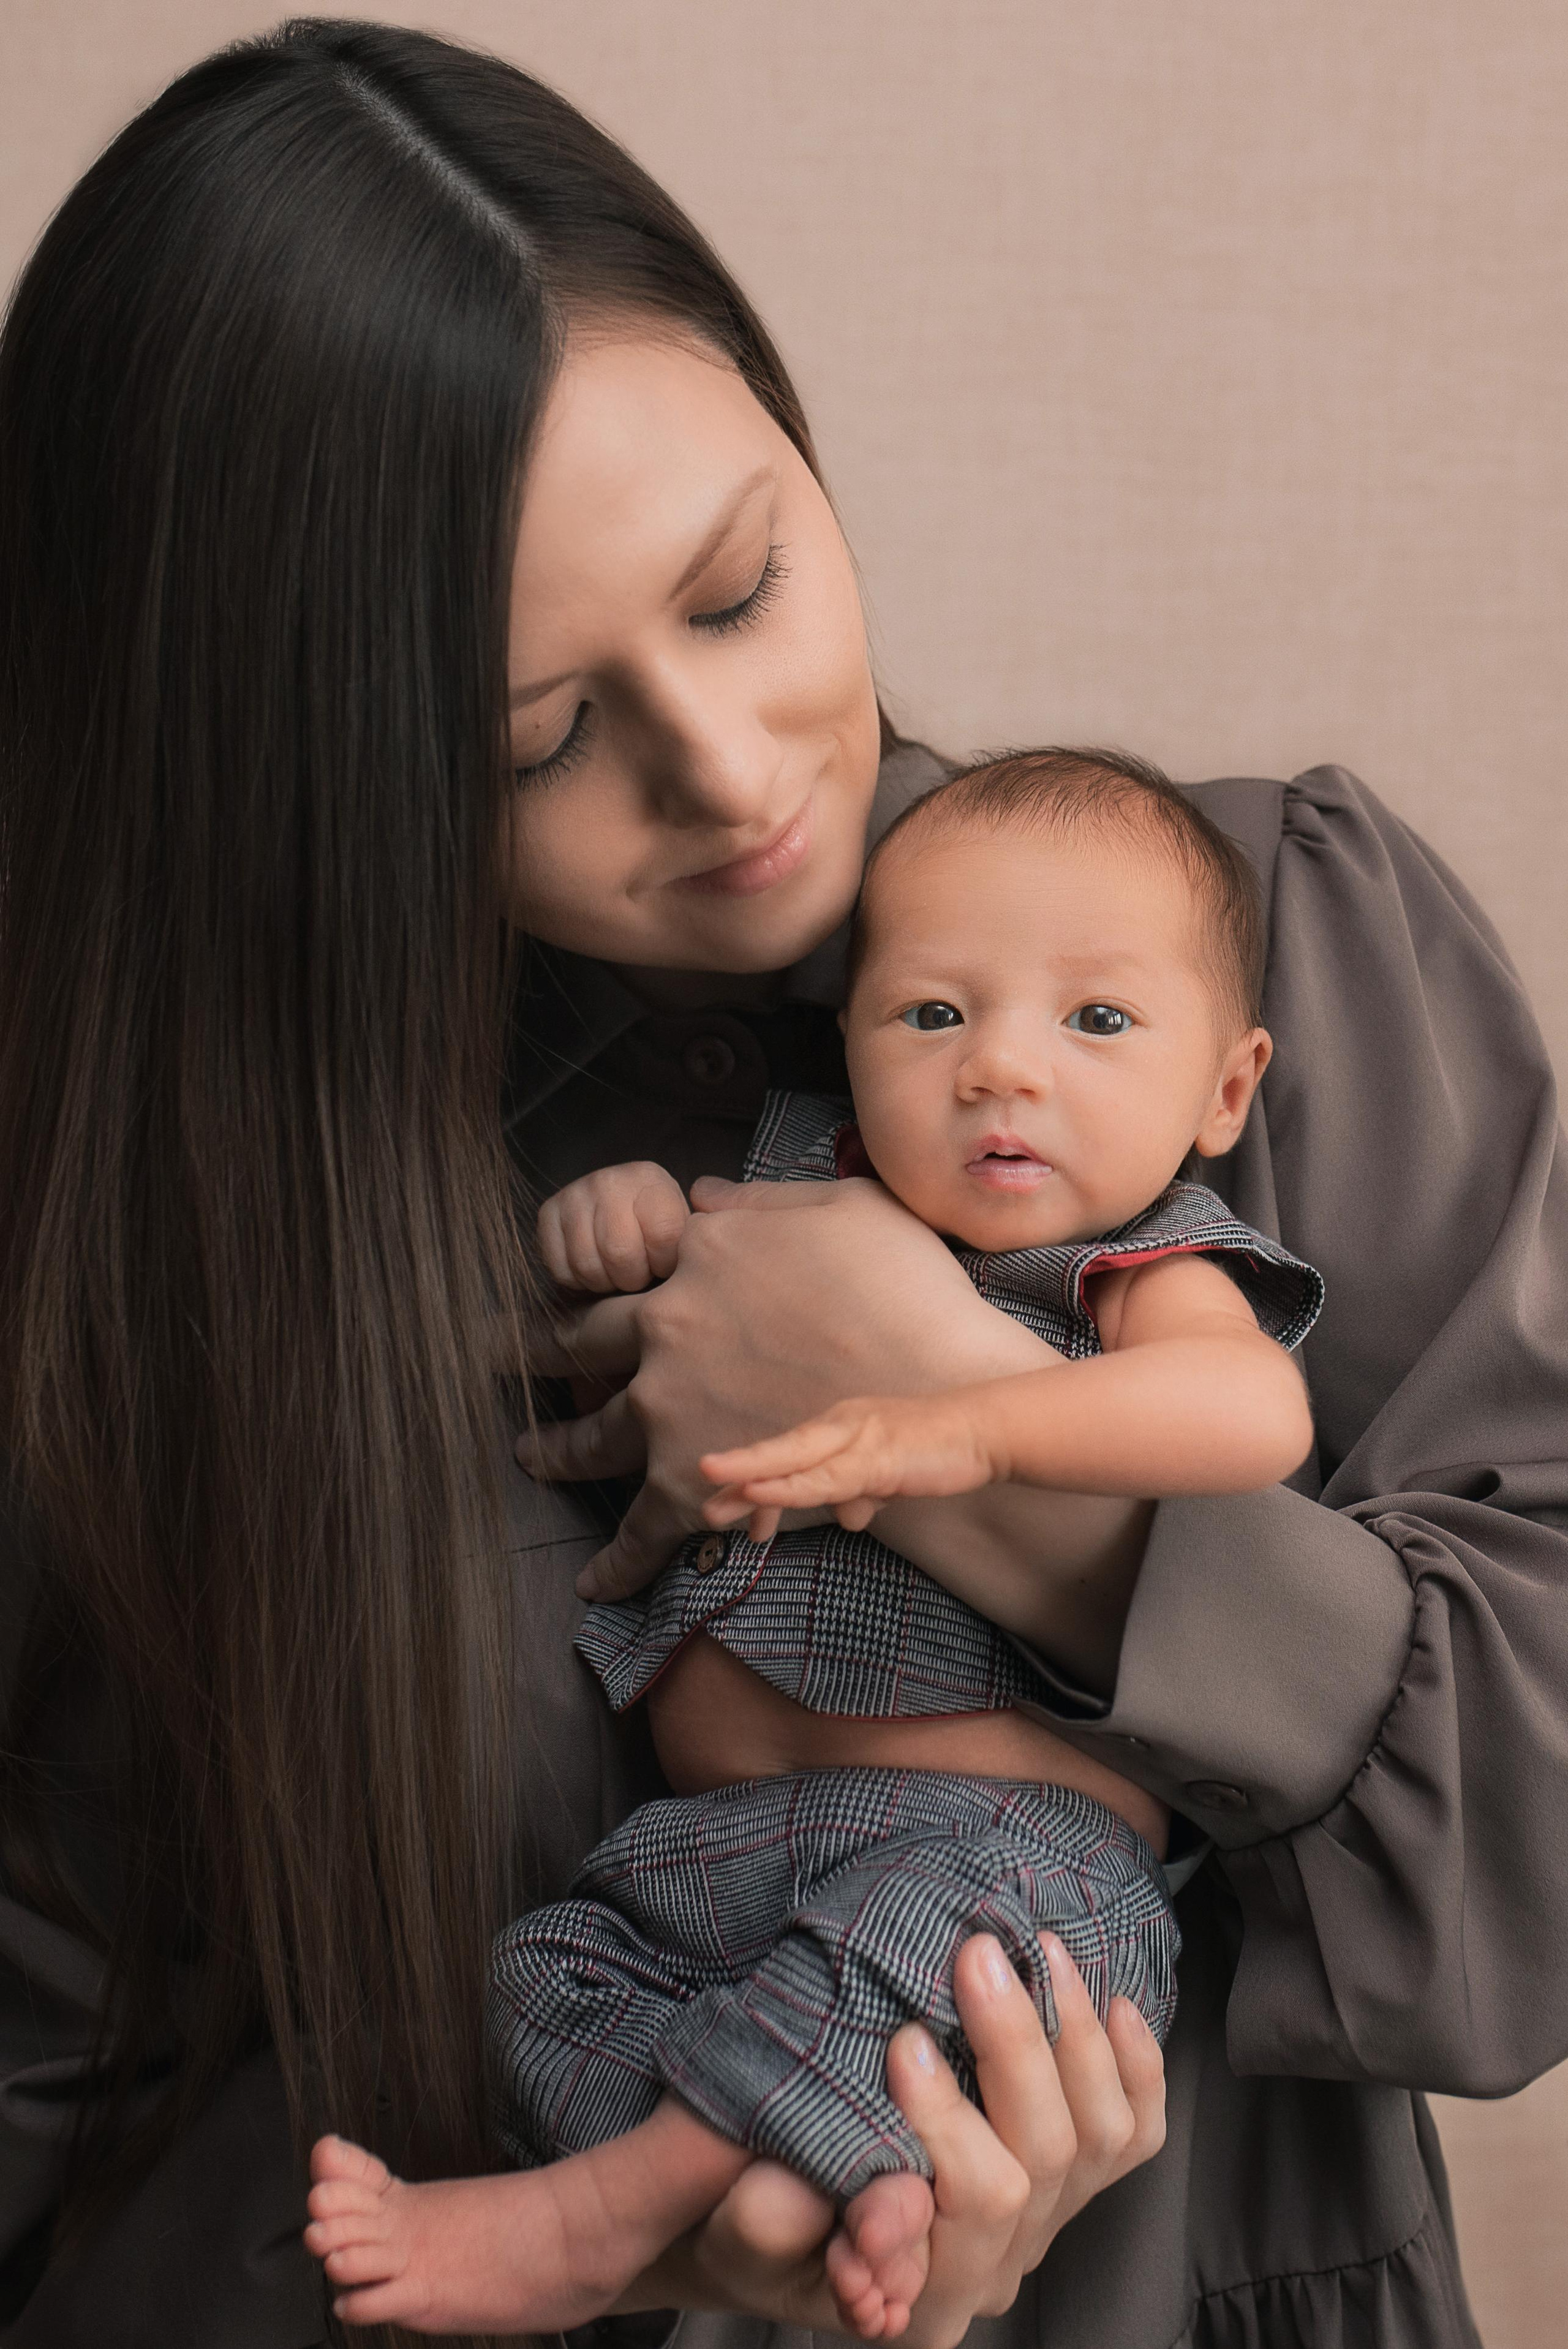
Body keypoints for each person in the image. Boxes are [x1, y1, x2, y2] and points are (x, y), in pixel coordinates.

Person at [0, 18, 1562, 2349]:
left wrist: (951, 1430)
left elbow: (1534, 1866)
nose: (732, 775)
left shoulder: (1243, 954)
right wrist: (652, 2250)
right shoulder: (186, 1275)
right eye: (541, 737)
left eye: (739, 589)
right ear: (311, 793)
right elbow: (69, 2146)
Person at [303, 748, 1326, 2340]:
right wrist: (630, 1225)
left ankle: (596, 2223)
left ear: (1226, 1089)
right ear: (849, 1038)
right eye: (934, 1013)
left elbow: (1253, 1413)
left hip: (1014, 1858)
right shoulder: (794, 1199)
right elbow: (651, 1313)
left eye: (1096, 1019)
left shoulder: (1134, 1263)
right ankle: (776, 2206)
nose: (1001, 1068)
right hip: (722, 1853)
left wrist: (973, 1425)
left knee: (915, 1959)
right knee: (532, 1985)